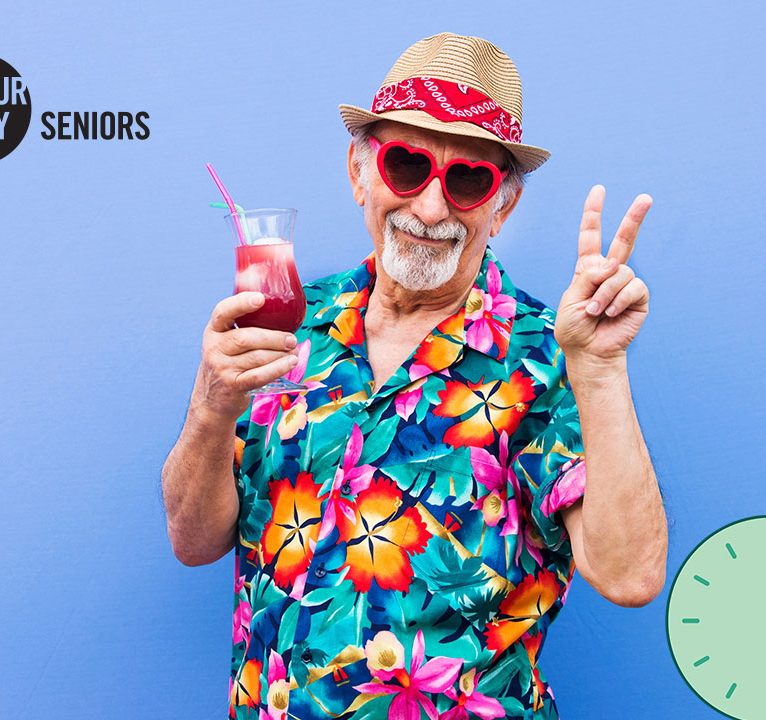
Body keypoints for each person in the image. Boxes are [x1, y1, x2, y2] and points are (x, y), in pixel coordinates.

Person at [162, 32, 667, 720]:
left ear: (504, 204)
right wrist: (212, 405)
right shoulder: (286, 329)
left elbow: (630, 575)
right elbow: (195, 542)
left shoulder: (553, 356)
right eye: (407, 165)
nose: (431, 209)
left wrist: (602, 371)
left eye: (467, 180)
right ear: (359, 172)